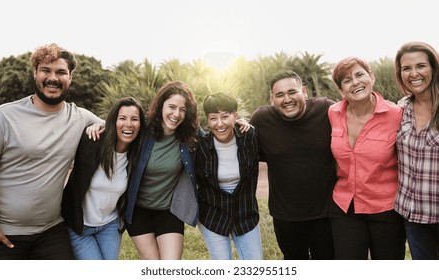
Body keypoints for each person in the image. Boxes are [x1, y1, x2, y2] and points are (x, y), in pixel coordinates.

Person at [0, 43, 103, 260]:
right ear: (35, 73)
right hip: (5, 233)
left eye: (61, 72)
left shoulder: (80, 118)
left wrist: (102, 127)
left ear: (70, 78)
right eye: (46, 70)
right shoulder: (4, 117)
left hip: (51, 231)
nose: (53, 78)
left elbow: (124, 129)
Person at [249, 70, 337, 260]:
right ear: (272, 98)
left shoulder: (327, 110)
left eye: (292, 92)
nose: (286, 99)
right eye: (279, 95)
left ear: (304, 91)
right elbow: (246, 154)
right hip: (285, 215)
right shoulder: (262, 120)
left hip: (327, 213)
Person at [328, 57, 405, 259]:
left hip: (386, 208)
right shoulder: (333, 113)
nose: (355, 82)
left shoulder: (397, 114)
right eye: (346, 80)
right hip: (345, 206)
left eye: (360, 74)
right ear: (340, 90)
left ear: (371, 77)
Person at [124, 81, 199, 260]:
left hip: (169, 211)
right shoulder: (142, 131)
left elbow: (219, 133)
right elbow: (118, 128)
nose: (176, 114)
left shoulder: (190, 136)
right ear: (161, 106)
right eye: (172, 107)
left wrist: (241, 124)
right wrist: (99, 125)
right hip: (138, 211)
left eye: (182, 109)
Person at [61, 97, 144, 260]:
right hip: (78, 227)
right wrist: (98, 125)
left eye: (134, 119)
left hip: (110, 225)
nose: (128, 124)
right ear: (113, 121)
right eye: (122, 118)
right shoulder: (92, 141)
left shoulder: (137, 155)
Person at [393, 41, 439, 260]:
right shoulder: (402, 108)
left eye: (420, 66)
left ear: (434, 68)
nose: (413, 73)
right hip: (414, 216)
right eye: (406, 68)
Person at [196, 92, 262, 260]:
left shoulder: (250, 137)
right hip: (213, 215)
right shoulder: (200, 146)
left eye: (225, 117)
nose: (219, 124)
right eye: (213, 118)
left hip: (245, 212)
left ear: (235, 115)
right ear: (207, 120)